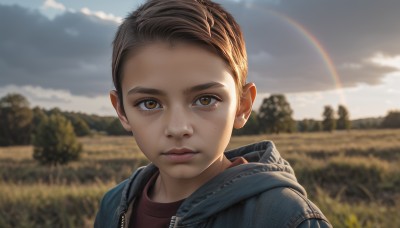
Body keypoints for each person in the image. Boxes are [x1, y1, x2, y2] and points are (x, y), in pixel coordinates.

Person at [94, 0, 332, 227]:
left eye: (205, 100)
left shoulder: (287, 218)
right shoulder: (113, 205)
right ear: (122, 111)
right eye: (149, 103)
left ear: (242, 106)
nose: (178, 128)